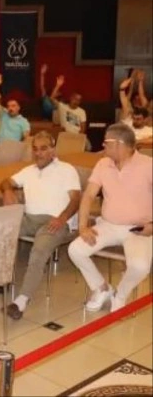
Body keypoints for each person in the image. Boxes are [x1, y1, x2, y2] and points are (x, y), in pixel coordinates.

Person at [68, 123, 152, 313]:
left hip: (139, 229)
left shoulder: (148, 165)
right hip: (107, 225)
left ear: (120, 144)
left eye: (107, 142)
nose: (103, 145)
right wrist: (83, 227)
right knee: (75, 250)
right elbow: (88, 196)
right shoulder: (103, 164)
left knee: (140, 267)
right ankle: (102, 288)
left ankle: (120, 295)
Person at [1, 132, 81, 320]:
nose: (38, 153)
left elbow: (76, 199)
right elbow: (6, 181)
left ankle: (21, 301)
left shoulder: (66, 169)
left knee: (39, 250)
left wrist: (62, 218)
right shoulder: (28, 170)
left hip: (55, 221)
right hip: (30, 219)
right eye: (35, 149)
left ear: (53, 150)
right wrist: (7, 190)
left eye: (43, 148)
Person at [0, 74, 31, 143]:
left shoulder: (23, 121)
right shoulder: (4, 114)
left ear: (19, 107)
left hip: (12, 147)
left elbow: (26, 138)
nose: (10, 108)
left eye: (13, 106)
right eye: (8, 106)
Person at [119, 76, 153, 145]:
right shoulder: (127, 123)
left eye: (138, 119)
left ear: (145, 119)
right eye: (134, 118)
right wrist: (122, 89)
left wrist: (138, 142)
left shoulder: (149, 131)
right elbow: (124, 103)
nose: (135, 121)